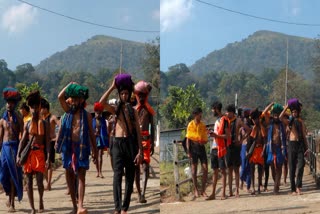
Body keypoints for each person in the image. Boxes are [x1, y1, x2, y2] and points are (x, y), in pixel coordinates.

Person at [99, 74, 143, 214]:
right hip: (117, 144)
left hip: (130, 144)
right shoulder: (115, 109)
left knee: (130, 176)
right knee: (117, 175)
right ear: (119, 94)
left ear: (129, 94)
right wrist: (112, 86)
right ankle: (117, 208)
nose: (124, 96)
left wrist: (140, 151)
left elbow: (138, 132)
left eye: (126, 93)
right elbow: (101, 102)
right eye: (122, 93)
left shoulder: (133, 111)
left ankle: (125, 208)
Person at [56, 82, 97, 214]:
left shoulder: (87, 115)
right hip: (68, 148)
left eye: (77, 99)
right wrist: (70, 85)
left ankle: (80, 205)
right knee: (69, 176)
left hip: (82, 148)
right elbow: (59, 97)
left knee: (81, 176)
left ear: (82, 100)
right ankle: (74, 205)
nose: (74, 101)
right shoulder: (67, 112)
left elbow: (91, 134)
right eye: (72, 99)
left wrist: (95, 151)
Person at [17, 90, 50, 214]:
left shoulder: (45, 124)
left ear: (40, 107)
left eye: (36, 107)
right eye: (32, 107)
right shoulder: (27, 124)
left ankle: (41, 200)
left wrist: (47, 158)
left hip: (40, 154)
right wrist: (18, 155)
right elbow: (23, 141)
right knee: (29, 181)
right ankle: (32, 207)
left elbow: (47, 142)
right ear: (29, 109)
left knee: (40, 182)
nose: (34, 110)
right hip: (29, 155)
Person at [0, 87, 24, 212]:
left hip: (15, 148)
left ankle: (12, 202)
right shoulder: (2, 121)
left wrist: (20, 153)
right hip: (4, 149)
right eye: (8, 102)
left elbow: (22, 137)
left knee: (13, 175)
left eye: (11, 103)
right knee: (3, 175)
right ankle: (8, 194)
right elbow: (0, 138)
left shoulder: (19, 120)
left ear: (14, 104)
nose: (9, 105)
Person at [280, 98, 308, 195]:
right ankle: (293, 189)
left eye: (296, 111)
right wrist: (287, 107)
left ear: (298, 112)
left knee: (301, 166)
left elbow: (304, 136)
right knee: (291, 168)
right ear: (291, 112)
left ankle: (298, 186)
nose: (294, 113)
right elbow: (280, 117)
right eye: (293, 112)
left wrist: (307, 148)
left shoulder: (301, 121)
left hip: (300, 145)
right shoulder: (290, 121)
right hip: (291, 145)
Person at [133, 80, 155, 203]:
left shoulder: (149, 111)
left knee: (145, 167)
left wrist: (151, 143)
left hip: (146, 141)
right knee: (137, 168)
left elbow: (152, 126)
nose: (141, 97)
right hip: (136, 141)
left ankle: (143, 193)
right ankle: (139, 192)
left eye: (143, 95)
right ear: (136, 95)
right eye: (139, 95)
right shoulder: (133, 110)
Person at [225, 104, 251, 197]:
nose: (226, 113)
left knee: (236, 170)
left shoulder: (238, 121)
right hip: (228, 146)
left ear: (232, 112)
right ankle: (230, 191)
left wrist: (241, 140)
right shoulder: (225, 121)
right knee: (229, 170)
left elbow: (248, 130)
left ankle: (236, 191)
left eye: (228, 112)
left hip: (236, 147)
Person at [206, 101, 230, 200]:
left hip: (221, 148)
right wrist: (212, 134)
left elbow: (227, 136)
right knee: (215, 171)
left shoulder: (224, 120)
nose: (212, 111)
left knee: (223, 171)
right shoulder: (217, 121)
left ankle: (223, 193)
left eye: (213, 109)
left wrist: (216, 135)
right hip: (214, 148)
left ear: (216, 109)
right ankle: (213, 193)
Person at [185, 107, 208, 198]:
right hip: (193, 148)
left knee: (205, 169)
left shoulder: (203, 125)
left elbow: (206, 139)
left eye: (201, 114)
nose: (200, 115)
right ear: (195, 115)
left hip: (201, 148)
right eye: (199, 114)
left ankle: (203, 190)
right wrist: (188, 151)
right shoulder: (190, 125)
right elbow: (188, 139)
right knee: (194, 170)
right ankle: (196, 189)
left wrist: (203, 141)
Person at [264, 102, 287, 194]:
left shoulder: (281, 124)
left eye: (278, 115)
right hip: (271, 148)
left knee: (279, 167)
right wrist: (271, 104)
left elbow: (282, 115)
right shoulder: (270, 123)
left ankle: (275, 187)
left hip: (280, 148)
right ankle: (276, 184)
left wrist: (286, 107)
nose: (277, 117)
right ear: (273, 116)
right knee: (273, 168)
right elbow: (265, 112)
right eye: (275, 115)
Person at [40, 98, 60, 191]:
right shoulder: (41, 118)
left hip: (51, 142)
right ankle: (48, 182)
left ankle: (48, 184)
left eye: (42, 108)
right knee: (43, 164)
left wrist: (57, 138)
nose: (40, 110)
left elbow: (61, 126)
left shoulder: (52, 117)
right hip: (43, 143)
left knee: (49, 163)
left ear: (46, 108)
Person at [247, 108, 266, 195]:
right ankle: (253, 187)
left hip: (260, 150)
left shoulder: (262, 128)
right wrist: (248, 152)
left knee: (260, 170)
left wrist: (263, 151)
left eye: (256, 119)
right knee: (252, 170)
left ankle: (258, 187)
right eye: (253, 119)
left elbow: (265, 141)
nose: (255, 121)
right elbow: (249, 142)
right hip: (253, 151)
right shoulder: (252, 129)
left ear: (259, 119)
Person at [92, 102, 109, 178]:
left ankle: (100, 172)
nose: (98, 114)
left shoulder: (103, 121)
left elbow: (105, 131)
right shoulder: (92, 120)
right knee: (95, 156)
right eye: (97, 113)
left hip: (101, 139)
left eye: (99, 113)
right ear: (95, 112)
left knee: (100, 155)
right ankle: (97, 171)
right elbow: (90, 130)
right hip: (94, 140)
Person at [239, 108, 252, 192]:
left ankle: (248, 186)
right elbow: (239, 139)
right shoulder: (241, 129)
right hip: (243, 147)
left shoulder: (252, 128)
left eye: (247, 118)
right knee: (243, 166)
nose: (246, 120)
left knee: (249, 167)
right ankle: (241, 181)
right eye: (245, 119)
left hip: (250, 147)